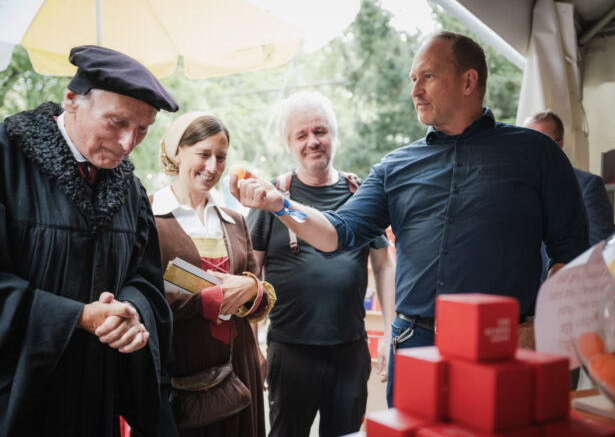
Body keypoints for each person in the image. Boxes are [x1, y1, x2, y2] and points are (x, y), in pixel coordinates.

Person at [229, 31, 590, 407]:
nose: (415, 90)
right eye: (413, 79)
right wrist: (279, 204)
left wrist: (541, 325)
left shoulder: (536, 154)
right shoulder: (394, 166)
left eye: (428, 77)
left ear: (469, 80)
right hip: (415, 345)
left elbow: (572, 250)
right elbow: (337, 233)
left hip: (501, 346)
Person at [0, 45, 178, 436]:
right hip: (19, 395)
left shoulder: (129, 190)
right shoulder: (7, 161)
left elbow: (146, 281)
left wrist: (131, 313)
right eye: (117, 122)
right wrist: (76, 317)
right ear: (72, 101)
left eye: (144, 129)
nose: (129, 143)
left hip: (99, 394)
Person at [246, 92, 395, 437]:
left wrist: (389, 331)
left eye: (320, 131)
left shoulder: (361, 193)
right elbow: (251, 273)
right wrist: (252, 345)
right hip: (290, 350)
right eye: (302, 135)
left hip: (349, 350)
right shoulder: (272, 197)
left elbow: (384, 264)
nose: (313, 141)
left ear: (333, 135)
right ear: (289, 144)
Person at [152, 112, 276, 436]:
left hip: (241, 369)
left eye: (220, 157)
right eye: (203, 154)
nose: (213, 167)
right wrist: (203, 302)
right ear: (177, 152)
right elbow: (142, 297)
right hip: (183, 375)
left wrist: (251, 290)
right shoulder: (149, 217)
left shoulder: (235, 220)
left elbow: (261, 300)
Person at [524, 110, 615, 249]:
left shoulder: (588, 186)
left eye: (542, 142)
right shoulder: (517, 185)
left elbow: (599, 246)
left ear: (559, 145)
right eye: (527, 143)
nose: (532, 149)